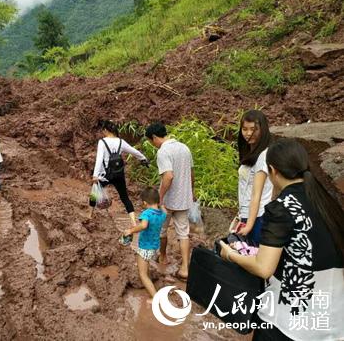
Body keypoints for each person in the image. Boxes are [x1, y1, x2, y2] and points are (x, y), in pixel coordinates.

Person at [220, 138, 344, 341]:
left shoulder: (281, 207)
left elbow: (263, 268)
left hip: (288, 324)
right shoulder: (327, 202)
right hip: (333, 321)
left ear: (273, 171)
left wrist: (230, 254)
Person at [145, 122, 194, 279]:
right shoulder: (184, 148)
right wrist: (191, 192)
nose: (152, 145)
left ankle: (163, 257)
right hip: (184, 198)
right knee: (183, 233)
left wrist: (159, 197)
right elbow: (192, 173)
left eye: (150, 142)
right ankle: (185, 268)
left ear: (154, 137)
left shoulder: (163, 152)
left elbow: (168, 176)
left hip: (168, 200)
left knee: (162, 230)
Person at [92, 120, 149, 226]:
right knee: (125, 198)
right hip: (119, 174)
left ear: (105, 130)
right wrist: (143, 159)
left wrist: (95, 175)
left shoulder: (102, 142)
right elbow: (133, 151)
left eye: (102, 130)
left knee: (94, 193)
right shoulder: (120, 141)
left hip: (106, 175)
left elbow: (99, 159)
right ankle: (133, 222)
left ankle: (89, 215)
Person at [236, 110, 273, 246]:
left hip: (258, 217)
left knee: (254, 256)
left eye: (253, 129)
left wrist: (249, 225)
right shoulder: (251, 152)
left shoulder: (264, 155)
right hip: (247, 213)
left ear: (263, 130)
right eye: (244, 129)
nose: (248, 133)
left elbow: (256, 194)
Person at [123, 187, 167, 302]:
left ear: (144, 203)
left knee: (142, 274)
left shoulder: (147, 213)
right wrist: (160, 205)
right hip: (154, 247)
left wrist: (130, 231)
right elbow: (165, 212)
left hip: (145, 248)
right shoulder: (162, 214)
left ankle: (155, 297)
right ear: (158, 201)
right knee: (146, 267)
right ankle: (149, 284)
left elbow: (143, 226)